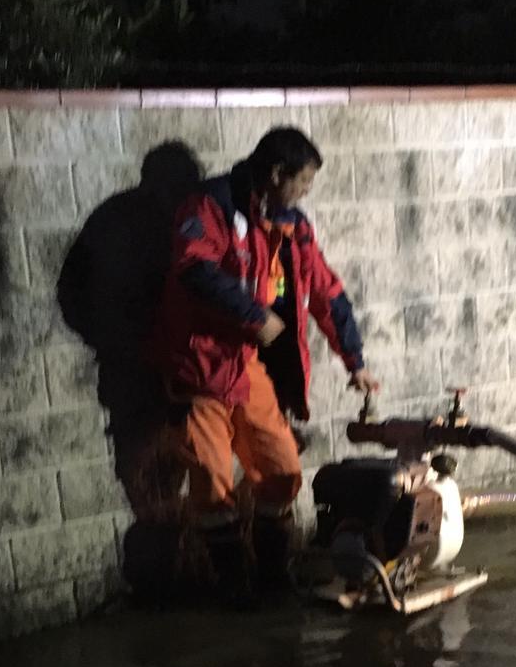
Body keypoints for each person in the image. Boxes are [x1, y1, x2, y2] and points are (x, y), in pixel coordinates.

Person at [150, 126, 378, 605]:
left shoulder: (293, 226)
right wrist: (255, 316)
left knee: (281, 469)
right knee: (211, 485)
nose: (305, 194)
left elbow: (326, 292)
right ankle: (235, 588)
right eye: (303, 183)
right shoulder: (209, 208)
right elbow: (194, 268)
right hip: (198, 366)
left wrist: (354, 360)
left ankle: (274, 577)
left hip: (244, 364)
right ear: (277, 175)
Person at [57, 142, 204, 602]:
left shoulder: (129, 218)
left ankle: (167, 578)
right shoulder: (131, 222)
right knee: (149, 479)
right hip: (142, 374)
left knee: (161, 477)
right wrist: (123, 343)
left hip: (160, 374)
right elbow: (75, 295)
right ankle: (162, 584)